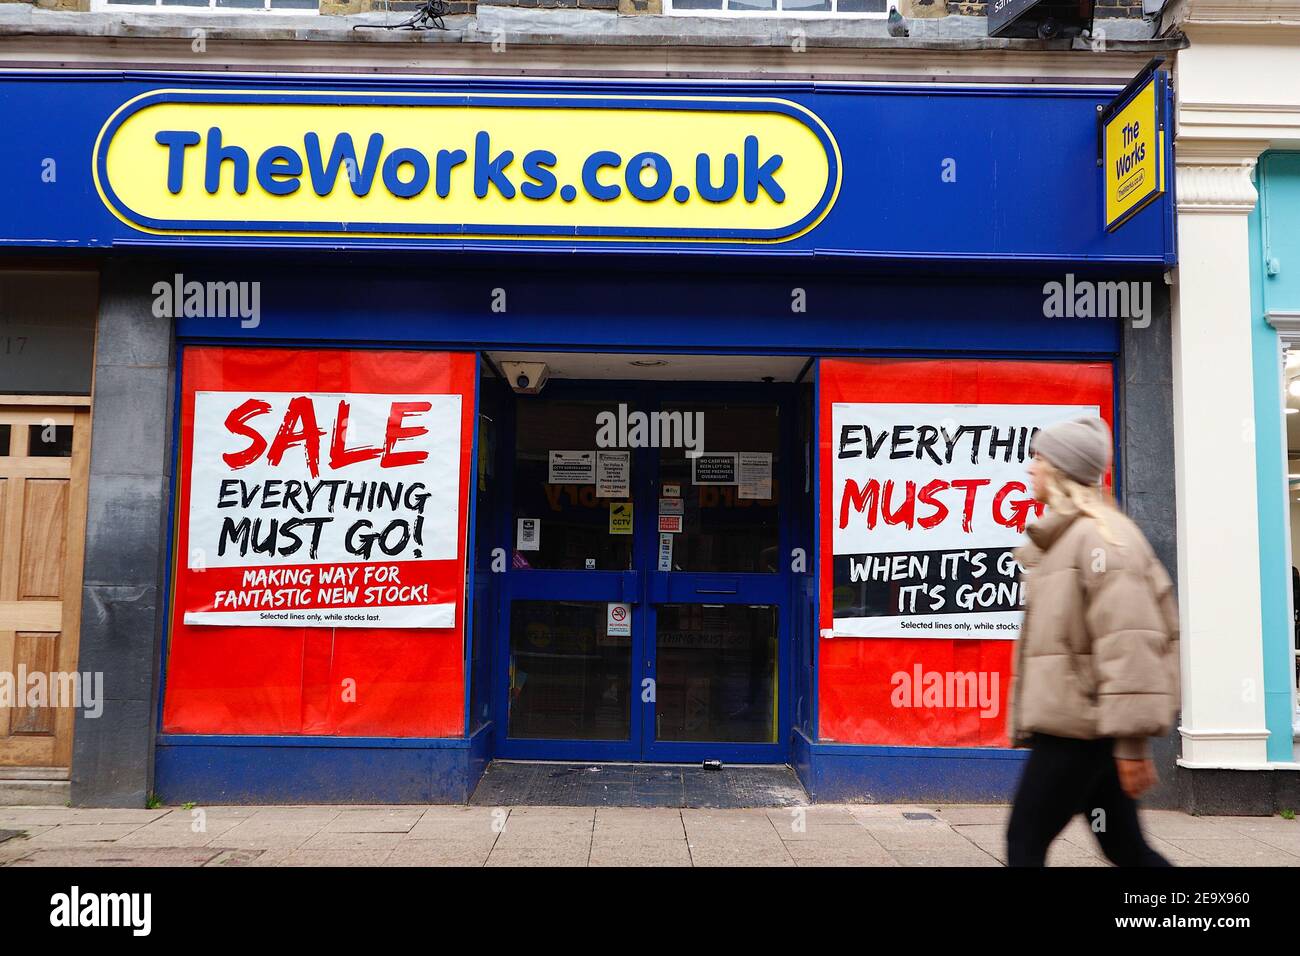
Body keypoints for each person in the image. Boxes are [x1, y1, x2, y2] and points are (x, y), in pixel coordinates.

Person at [1005, 416, 1180, 867]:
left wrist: (1132, 745)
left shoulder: (1103, 540)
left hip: (1080, 731)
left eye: (1038, 459)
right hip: (1086, 728)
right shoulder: (1068, 539)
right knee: (1125, 848)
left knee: (1024, 841)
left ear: (1061, 470)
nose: (1030, 469)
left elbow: (1131, 645)